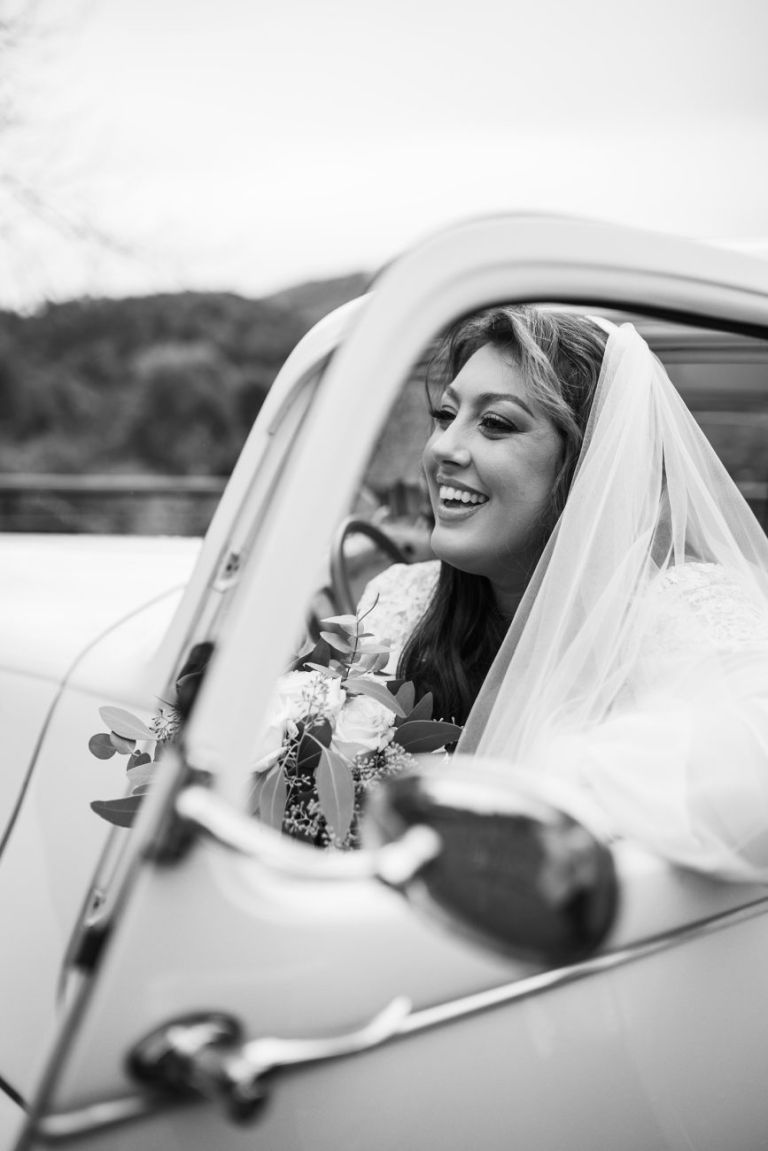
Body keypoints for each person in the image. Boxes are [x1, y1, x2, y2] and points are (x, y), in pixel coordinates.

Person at [360, 305, 768, 883]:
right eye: (445, 415)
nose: (443, 448)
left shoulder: (682, 608)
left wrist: (533, 772)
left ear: (589, 462)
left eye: (495, 423)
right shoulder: (396, 598)